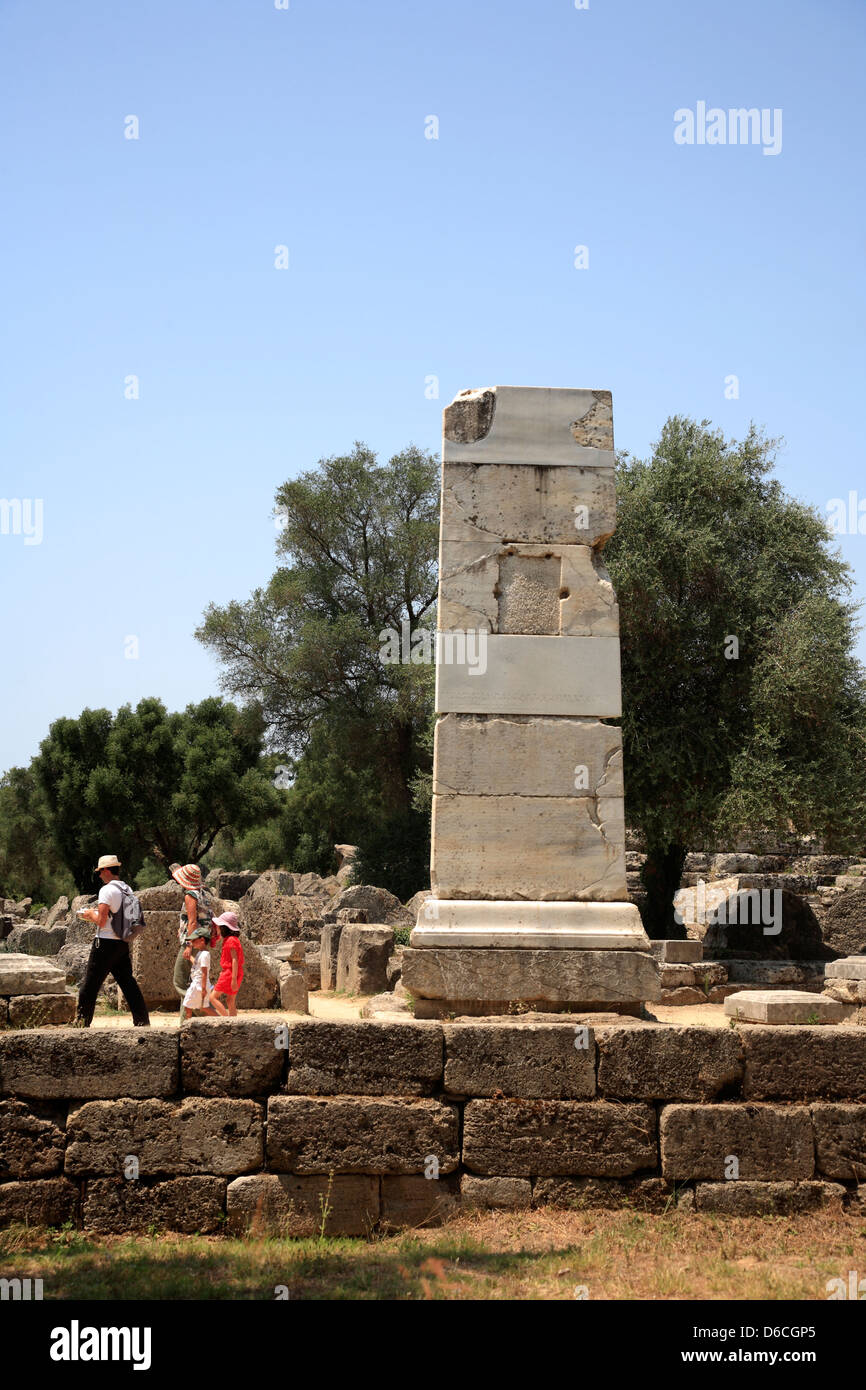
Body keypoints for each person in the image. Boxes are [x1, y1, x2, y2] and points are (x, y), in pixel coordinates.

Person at [75, 855, 150, 1028]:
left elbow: (101, 921)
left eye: (100, 871)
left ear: (107, 870)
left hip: (104, 942)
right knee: (128, 983)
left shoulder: (107, 890)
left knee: (90, 985)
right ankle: (142, 1021)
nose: (100, 875)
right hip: (122, 942)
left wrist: (87, 915)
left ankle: (81, 1022)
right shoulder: (127, 888)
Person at [170, 864, 216, 1012]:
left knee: (180, 981)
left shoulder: (190, 895)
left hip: (192, 942)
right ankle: (190, 1017)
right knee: (193, 981)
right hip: (201, 941)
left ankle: (199, 1011)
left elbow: (192, 921)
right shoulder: (203, 893)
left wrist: (189, 944)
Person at [206, 912, 245, 1017]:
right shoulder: (233, 939)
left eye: (218, 926)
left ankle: (226, 1019)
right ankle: (234, 1023)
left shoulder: (230, 940)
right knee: (230, 1000)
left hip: (230, 973)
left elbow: (234, 960)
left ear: (224, 927)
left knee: (212, 997)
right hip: (235, 972)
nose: (217, 928)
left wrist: (232, 979)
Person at [181, 924, 211, 1019]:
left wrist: (203, 988)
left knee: (187, 1005)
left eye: (194, 940)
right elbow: (197, 964)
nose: (192, 942)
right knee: (203, 1007)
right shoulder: (201, 953)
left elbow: (204, 972)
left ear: (202, 940)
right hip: (198, 983)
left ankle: (187, 1025)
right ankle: (220, 1020)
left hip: (198, 984)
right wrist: (190, 957)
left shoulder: (205, 954)